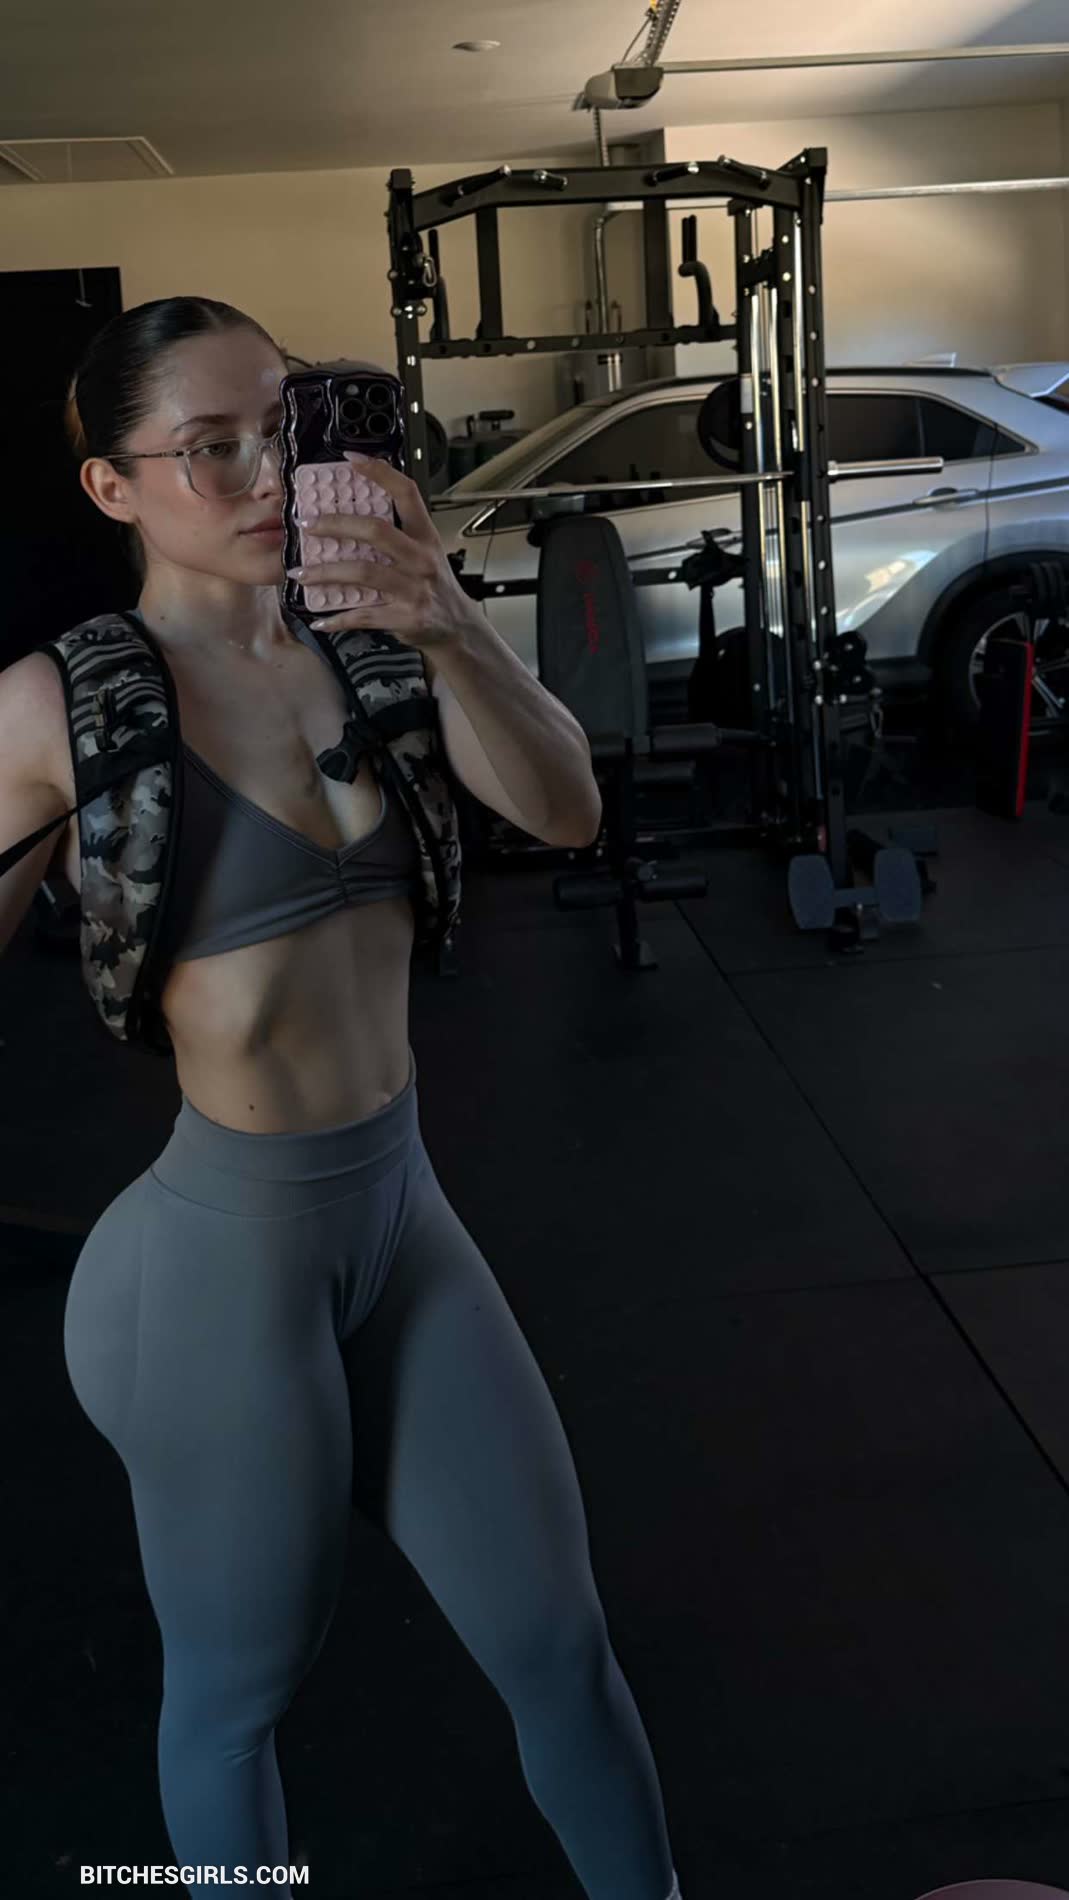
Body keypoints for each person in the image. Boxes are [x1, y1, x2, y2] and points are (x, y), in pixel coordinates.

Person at [55, 298, 683, 1900]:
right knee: (236, 1699)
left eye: (283, 427)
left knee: (559, 1644)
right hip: (214, 1271)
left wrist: (449, 617)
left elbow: (565, 809)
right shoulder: (49, 709)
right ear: (114, 486)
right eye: (210, 449)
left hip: (402, 1218)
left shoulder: (370, 643)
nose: (266, 474)